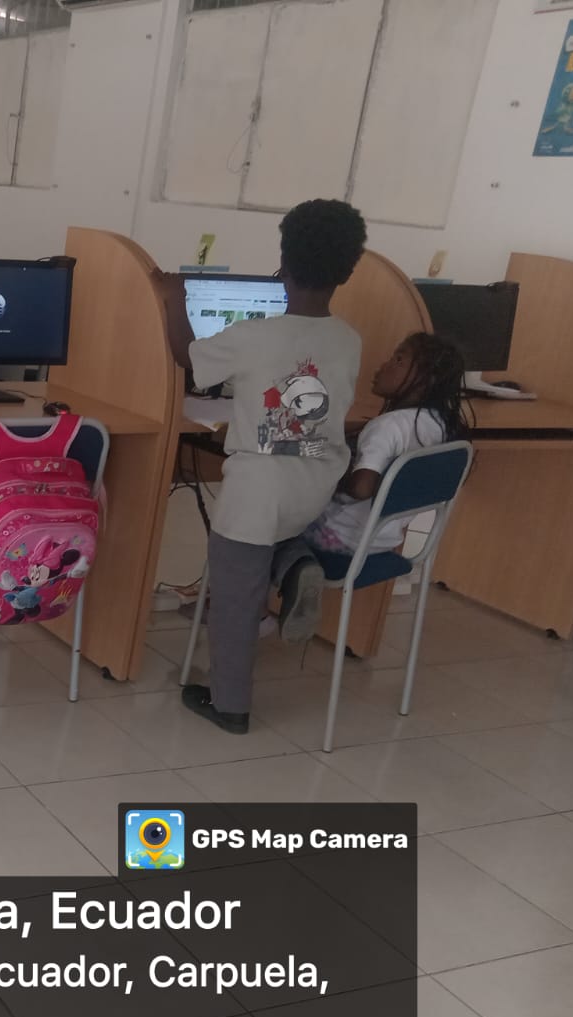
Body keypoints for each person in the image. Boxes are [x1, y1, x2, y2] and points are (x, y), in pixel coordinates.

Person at [158, 199, 368, 734]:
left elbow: (189, 357)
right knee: (277, 538)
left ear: (284, 263)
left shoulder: (254, 335)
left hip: (259, 492)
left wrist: (173, 297)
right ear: (347, 270)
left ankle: (229, 706)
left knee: (235, 597)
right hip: (314, 485)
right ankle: (298, 567)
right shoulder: (349, 340)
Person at [301, 332, 469, 561]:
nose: (383, 366)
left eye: (398, 359)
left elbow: (361, 488)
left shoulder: (387, 427)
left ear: (426, 379)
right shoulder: (441, 425)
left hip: (339, 537)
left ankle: (297, 565)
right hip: (382, 539)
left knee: (275, 516)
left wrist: (327, 473)